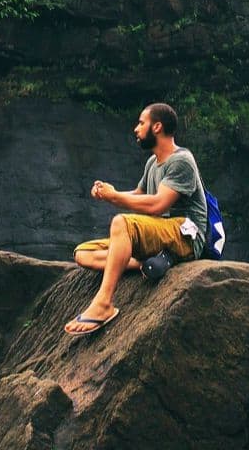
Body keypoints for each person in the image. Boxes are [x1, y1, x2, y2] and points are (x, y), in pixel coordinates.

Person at [64, 102, 208, 335]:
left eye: (142, 123)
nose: (136, 129)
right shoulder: (153, 162)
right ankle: (149, 262)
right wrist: (110, 194)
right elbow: (139, 195)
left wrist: (116, 199)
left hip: (185, 233)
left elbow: (158, 203)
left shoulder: (181, 160)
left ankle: (103, 304)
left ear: (157, 127)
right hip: (161, 231)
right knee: (83, 253)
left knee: (122, 222)